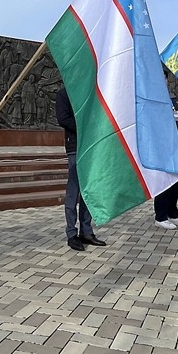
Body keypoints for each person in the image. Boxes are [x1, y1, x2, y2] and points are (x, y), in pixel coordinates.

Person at [55, 89, 106, 251]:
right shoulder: (64, 94)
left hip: (91, 146)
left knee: (88, 190)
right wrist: (86, 128)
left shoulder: (89, 93)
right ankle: (71, 233)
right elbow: (63, 119)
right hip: (75, 146)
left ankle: (87, 231)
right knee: (74, 190)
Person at [154, 96, 178, 230]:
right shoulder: (154, 99)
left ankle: (173, 214)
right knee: (164, 183)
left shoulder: (174, 100)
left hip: (177, 147)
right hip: (163, 148)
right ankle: (160, 217)